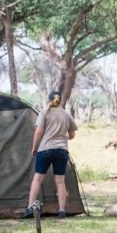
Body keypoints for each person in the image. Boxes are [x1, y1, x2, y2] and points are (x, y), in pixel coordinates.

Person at [22, 91, 78, 219]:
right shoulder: (66, 114)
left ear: (48, 100)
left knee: (37, 179)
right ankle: (62, 211)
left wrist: (34, 148)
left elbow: (38, 132)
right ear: (60, 100)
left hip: (45, 149)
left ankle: (30, 207)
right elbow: (72, 135)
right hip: (62, 151)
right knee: (60, 182)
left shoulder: (44, 112)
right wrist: (62, 137)